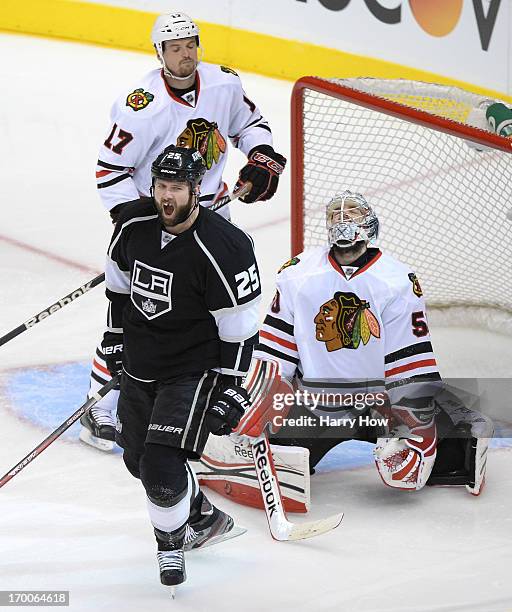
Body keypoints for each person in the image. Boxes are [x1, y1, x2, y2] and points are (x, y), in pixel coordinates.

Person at [80, 10, 286, 450]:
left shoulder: (224, 85)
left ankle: (210, 385)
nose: (185, 55)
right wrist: (141, 225)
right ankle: (100, 400)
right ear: (160, 53)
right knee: (142, 307)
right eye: (175, 48)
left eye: (190, 45)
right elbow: (109, 171)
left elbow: (249, 125)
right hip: (158, 216)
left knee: (215, 302)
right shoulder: (142, 107)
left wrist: (261, 154)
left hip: (211, 213)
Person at [250, 190, 493, 495]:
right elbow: (276, 349)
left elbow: (411, 364)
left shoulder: (396, 281)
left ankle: (460, 422)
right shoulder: (298, 273)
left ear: (369, 226)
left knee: (440, 463)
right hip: (320, 405)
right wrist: (259, 402)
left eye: (351, 214)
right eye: (335, 217)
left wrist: (421, 433)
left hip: (382, 404)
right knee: (279, 458)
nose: (342, 221)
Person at [102, 145, 260, 588]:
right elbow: (118, 290)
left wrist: (232, 386)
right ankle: (203, 518)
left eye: (176, 187)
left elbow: (240, 329)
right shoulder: (132, 224)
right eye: (160, 186)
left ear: (196, 190)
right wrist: (114, 338)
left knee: (161, 463)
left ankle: (170, 545)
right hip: (141, 362)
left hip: (194, 368)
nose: (166, 197)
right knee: (138, 461)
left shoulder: (225, 247)